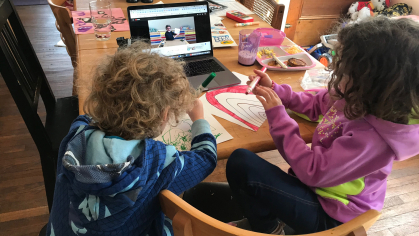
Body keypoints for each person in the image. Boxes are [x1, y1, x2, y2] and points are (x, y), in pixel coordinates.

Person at [226, 17, 419, 234]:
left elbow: (313, 170)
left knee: (241, 163)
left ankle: (269, 228)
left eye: (344, 72)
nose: (337, 76)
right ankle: (267, 220)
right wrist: (277, 91)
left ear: (373, 83)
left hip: (333, 213)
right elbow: (318, 102)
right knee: (250, 170)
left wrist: (279, 116)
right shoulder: (359, 95)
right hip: (320, 188)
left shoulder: (374, 140)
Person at [45, 41, 217, 236]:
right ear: (163, 115)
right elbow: (206, 159)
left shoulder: (76, 134)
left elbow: (88, 118)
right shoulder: (158, 163)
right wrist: (199, 118)